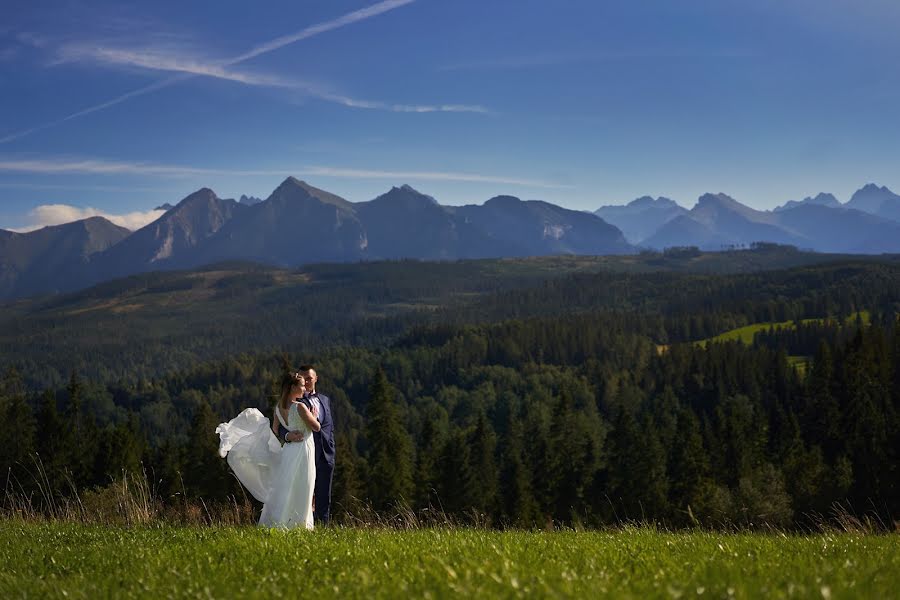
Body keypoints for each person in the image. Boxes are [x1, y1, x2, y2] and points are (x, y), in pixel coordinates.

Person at [216, 371, 319, 528]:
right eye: (302, 386)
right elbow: (316, 427)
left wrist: (287, 436)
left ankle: (281, 520)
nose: (305, 389)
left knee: (287, 485)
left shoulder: (279, 408)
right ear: (293, 387)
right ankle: (300, 524)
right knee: (304, 484)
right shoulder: (300, 407)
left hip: (289, 450)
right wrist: (314, 416)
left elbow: (276, 430)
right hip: (303, 449)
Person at [278, 365, 335, 524]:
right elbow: (282, 427)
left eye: (309, 378)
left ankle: (323, 526)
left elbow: (328, 427)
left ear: (316, 379)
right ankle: (301, 523)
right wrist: (288, 436)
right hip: (303, 451)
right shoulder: (295, 401)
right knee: (303, 490)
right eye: (304, 379)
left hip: (325, 453)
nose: (307, 382)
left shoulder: (325, 400)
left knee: (324, 493)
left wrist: (331, 447)